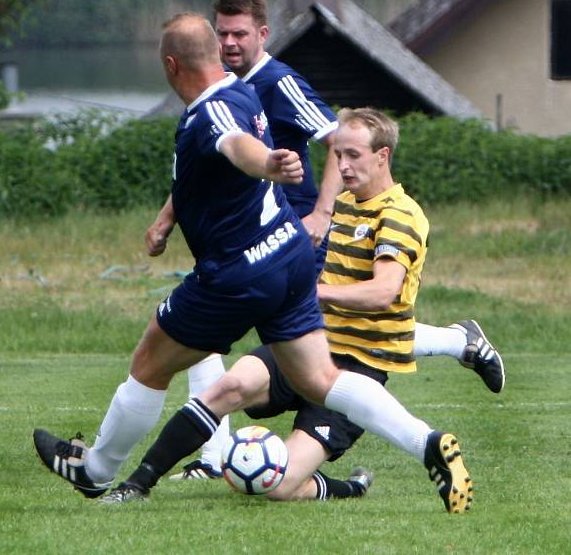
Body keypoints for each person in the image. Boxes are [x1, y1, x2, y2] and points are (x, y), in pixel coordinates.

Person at [33, 17, 472, 514]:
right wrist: (169, 217)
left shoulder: (210, 112)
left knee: (149, 365)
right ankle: (427, 443)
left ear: (171, 66)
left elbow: (234, 146)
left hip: (236, 274)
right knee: (320, 380)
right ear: (217, 56)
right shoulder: (241, 91)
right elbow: (210, 171)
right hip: (289, 255)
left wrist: (266, 164)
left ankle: (95, 471)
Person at [154, 0, 504, 482]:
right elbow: (209, 164)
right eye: (222, 33)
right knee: (236, 340)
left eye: (239, 33)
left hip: (284, 240)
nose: (230, 42)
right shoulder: (223, 89)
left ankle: (216, 457)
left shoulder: (278, 81)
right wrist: (169, 216)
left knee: (310, 330)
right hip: (240, 241)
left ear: (262, 34)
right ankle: (456, 344)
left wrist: (321, 213)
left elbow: (338, 134)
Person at [101, 107, 474, 512]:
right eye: (338, 156)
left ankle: (352, 486)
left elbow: (382, 293)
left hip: (359, 366)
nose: (343, 165)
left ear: (382, 156)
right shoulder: (341, 206)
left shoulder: (400, 215)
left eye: (353, 155)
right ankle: (137, 483)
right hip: (309, 343)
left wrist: (312, 294)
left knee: (274, 486)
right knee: (228, 388)